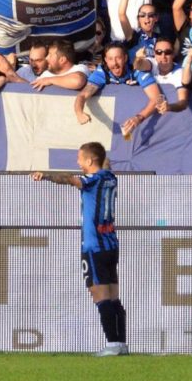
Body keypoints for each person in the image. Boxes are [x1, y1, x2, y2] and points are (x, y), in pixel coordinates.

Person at [31, 142, 126, 355]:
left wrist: (46, 176)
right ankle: (121, 344)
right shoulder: (110, 178)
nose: (78, 162)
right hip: (111, 243)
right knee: (113, 296)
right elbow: (104, 165)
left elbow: (70, 179)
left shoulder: (92, 180)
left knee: (100, 294)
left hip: (94, 246)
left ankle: (112, 344)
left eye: (80, 158)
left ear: (90, 160)